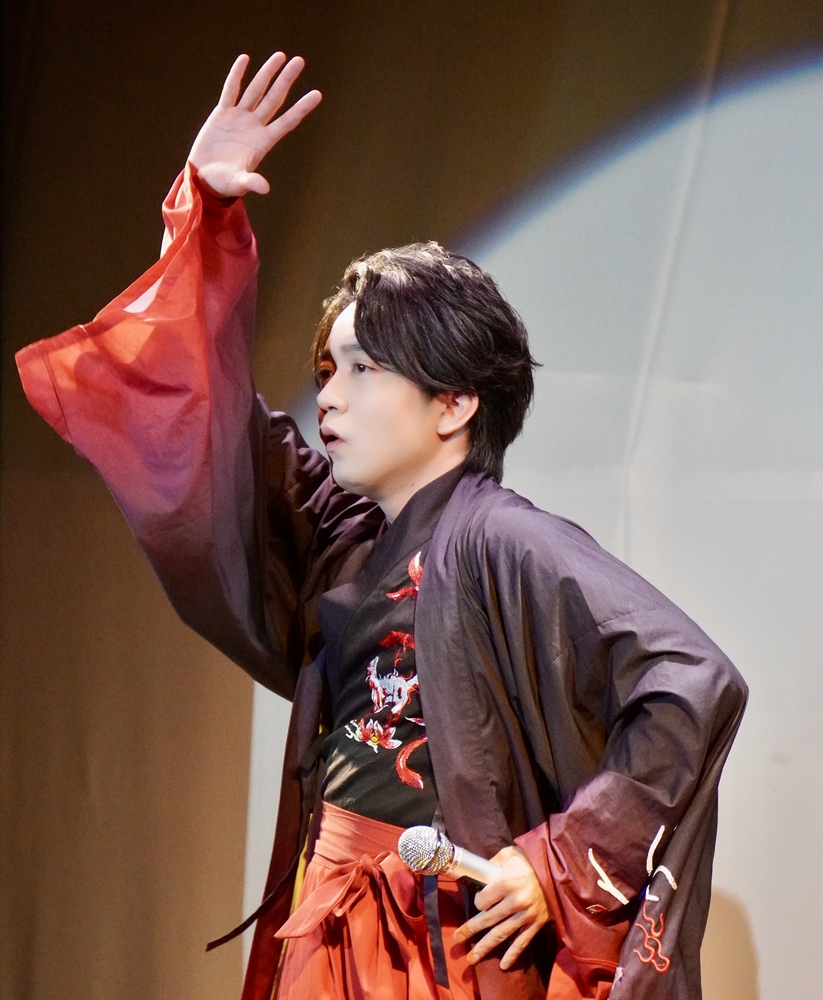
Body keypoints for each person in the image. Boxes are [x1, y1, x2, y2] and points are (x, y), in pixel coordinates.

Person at [16, 52, 747, 1000]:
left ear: (453, 402)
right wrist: (205, 216)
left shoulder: (502, 539)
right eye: (327, 370)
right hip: (333, 920)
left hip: (434, 950)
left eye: (363, 370)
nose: (329, 395)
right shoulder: (345, 540)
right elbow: (210, 430)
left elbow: (692, 680)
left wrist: (557, 862)